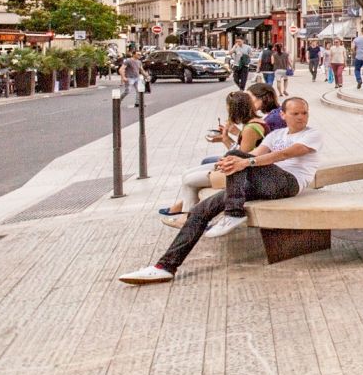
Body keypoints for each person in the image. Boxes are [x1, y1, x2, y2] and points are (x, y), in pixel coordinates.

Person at [119, 97, 325, 284]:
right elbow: (252, 153)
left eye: (304, 113)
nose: (300, 117)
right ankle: (165, 267)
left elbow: (284, 154)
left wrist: (244, 161)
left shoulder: (312, 134)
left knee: (239, 157)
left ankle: (234, 213)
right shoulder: (277, 134)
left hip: (288, 184)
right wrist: (228, 161)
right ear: (283, 114)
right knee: (200, 210)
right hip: (262, 183)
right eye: (295, 113)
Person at [160, 90, 262, 222]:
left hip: (243, 175)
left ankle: (187, 218)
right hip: (236, 167)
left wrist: (225, 139)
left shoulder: (251, 128)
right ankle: (187, 214)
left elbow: (241, 157)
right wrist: (228, 136)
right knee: (186, 175)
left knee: (189, 180)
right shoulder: (251, 125)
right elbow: (242, 150)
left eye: (229, 110)